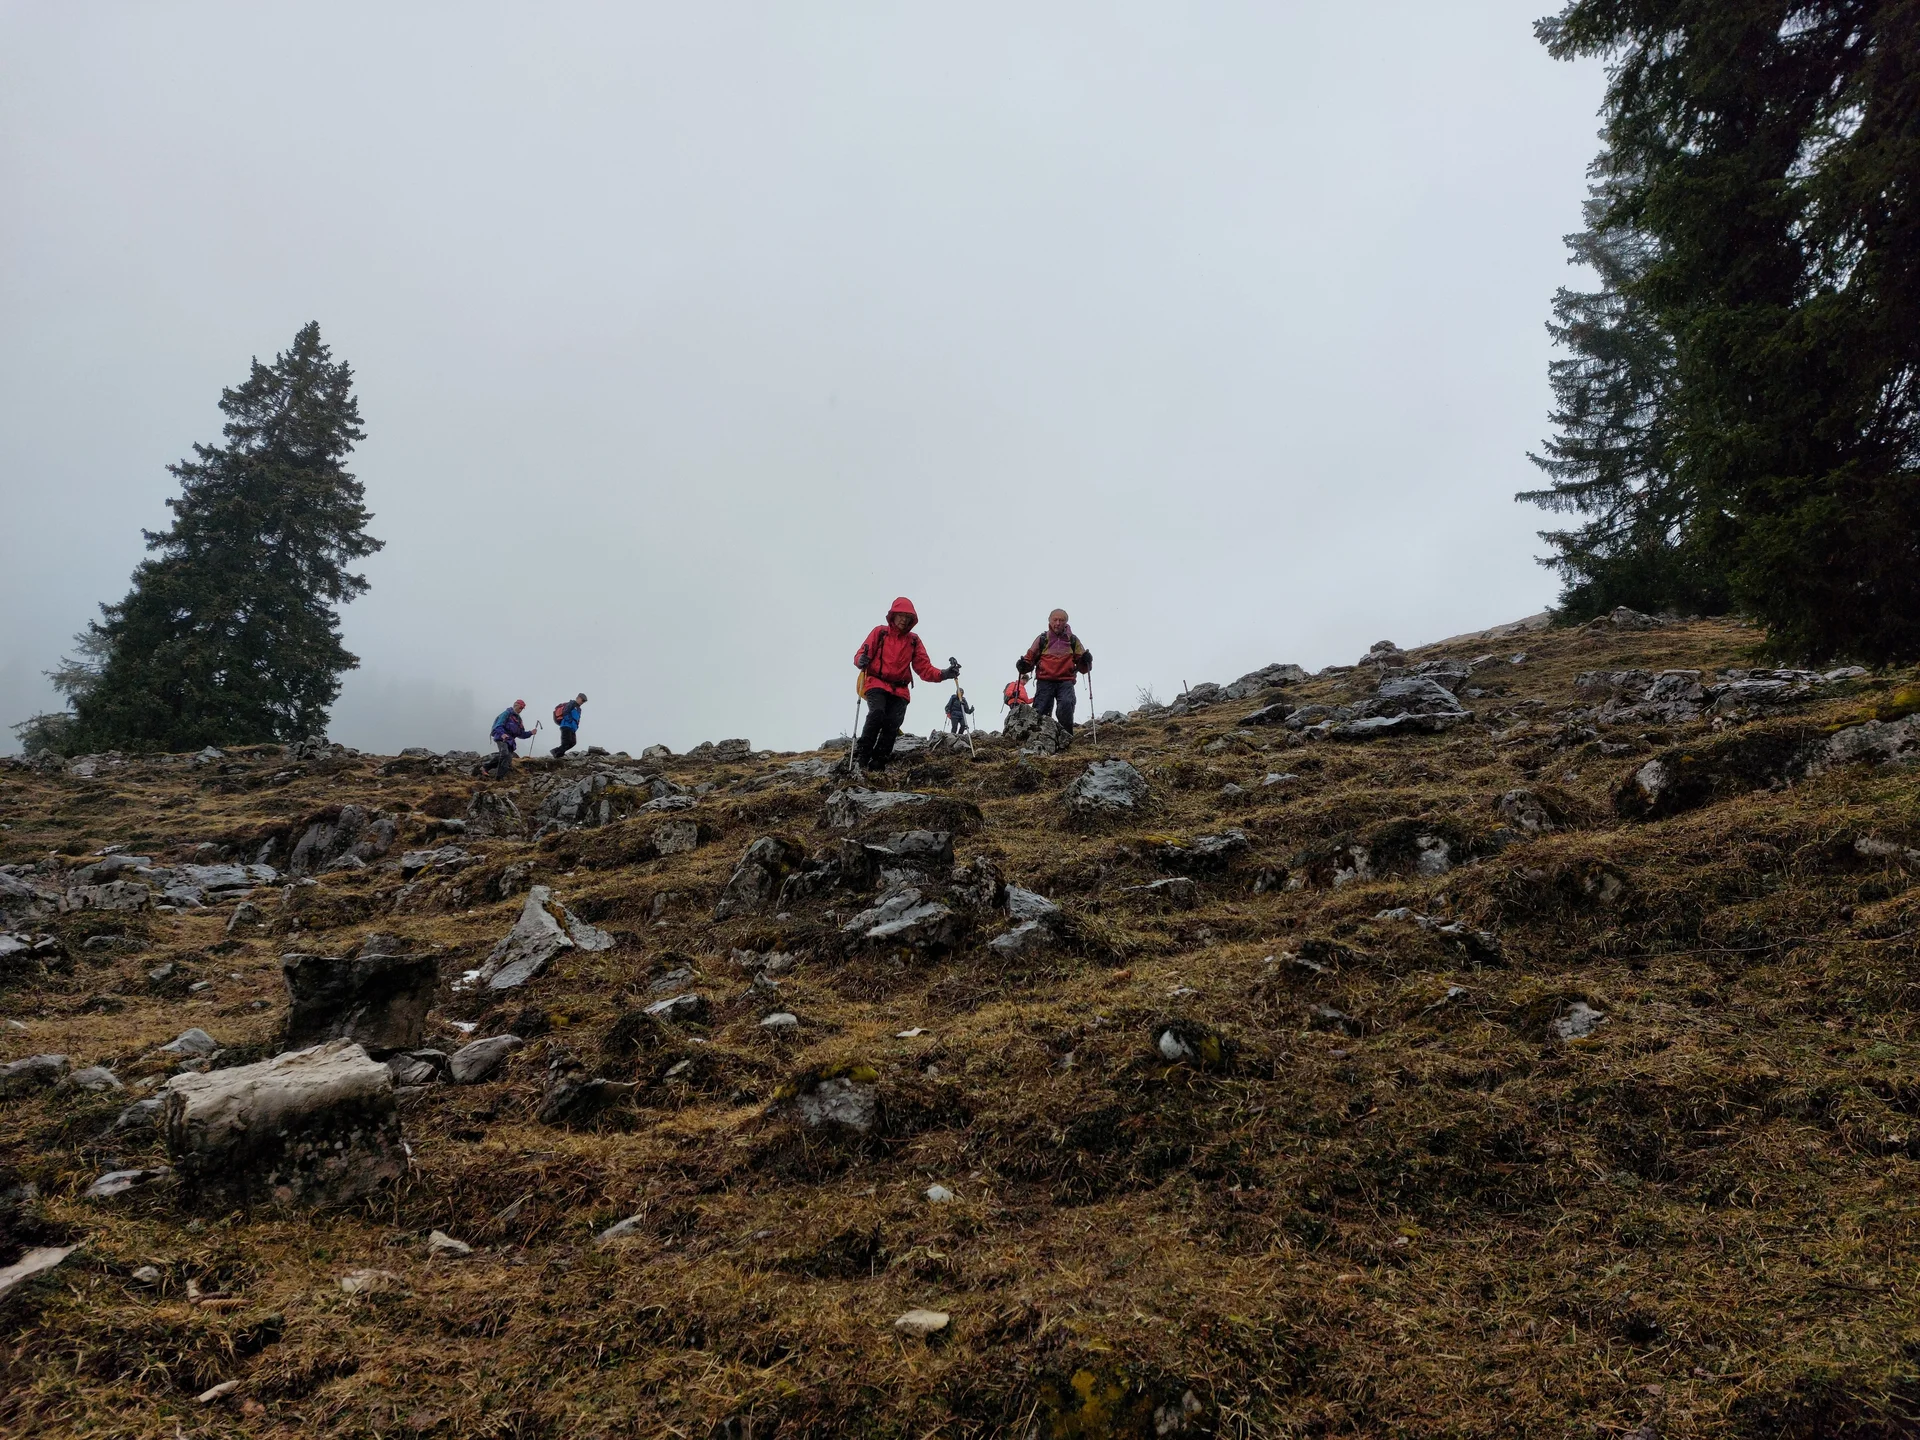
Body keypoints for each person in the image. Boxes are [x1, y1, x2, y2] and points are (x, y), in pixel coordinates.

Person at [852, 596, 958, 772]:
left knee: (892, 723)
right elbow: (862, 653)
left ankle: (878, 764)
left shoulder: (913, 641)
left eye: (907, 617)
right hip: (876, 682)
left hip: (900, 690)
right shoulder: (880, 632)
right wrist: (860, 660)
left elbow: (924, 668)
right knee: (877, 713)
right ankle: (862, 755)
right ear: (892, 616)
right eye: (900, 615)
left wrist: (944, 674)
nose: (903, 620)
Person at [1016, 608, 1093, 734]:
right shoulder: (1042, 639)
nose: (1057, 623)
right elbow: (1030, 658)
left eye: (1061, 620)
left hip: (1066, 681)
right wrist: (1023, 665)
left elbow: (1084, 667)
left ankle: (1066, 737)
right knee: (1041, 711)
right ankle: (1039, 739)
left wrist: (1086, 660)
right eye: (1055, 620)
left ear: (1066, 622)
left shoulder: (1072, 640)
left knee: (1066, 706)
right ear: (1049, 621)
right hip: (1044, 681)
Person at [487, 699, 533, 778]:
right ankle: (488, 769)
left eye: (522, 708)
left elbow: (521, 734)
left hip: (510, 741)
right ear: (515, 705)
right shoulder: (506, 714)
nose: (521, 710)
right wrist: (502, 734)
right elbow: (498, 725)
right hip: (501, 738)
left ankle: (498, 777)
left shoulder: (518, 720)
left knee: (508, 758)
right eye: (520, 707)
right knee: (505, 754)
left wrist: (531, 733)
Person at [551, 693, 587, 758]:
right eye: (582, 700)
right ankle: (556, 753)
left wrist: (576, 726)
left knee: (573, 742)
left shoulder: (579, 709)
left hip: (572, 728)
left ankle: (557, 752)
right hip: (566, 726)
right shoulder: (572, 703)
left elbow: (577, 719)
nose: (583, 702)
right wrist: (569, 721)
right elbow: (565, 712)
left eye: (584, 701)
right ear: (578, 698)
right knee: (566, 742)